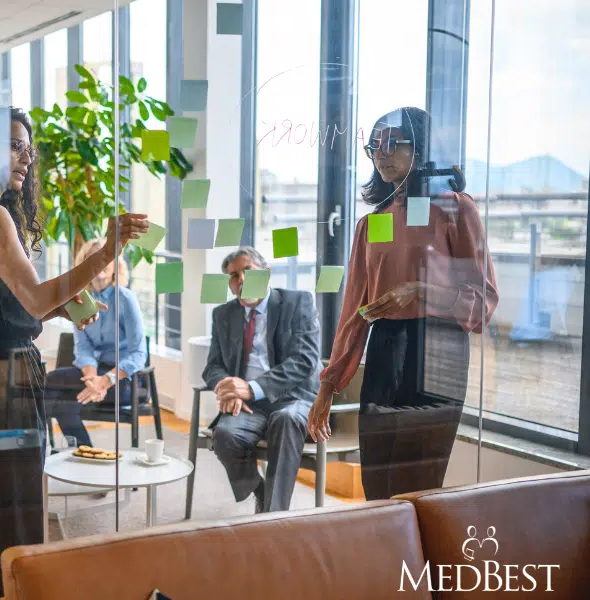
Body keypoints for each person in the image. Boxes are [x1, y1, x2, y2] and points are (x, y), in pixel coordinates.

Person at [0, 105, 147, 600]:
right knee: (11, 518)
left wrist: (57, 309)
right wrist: (106, 252)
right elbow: (35, 299)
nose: (27, 158)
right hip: (0, 382)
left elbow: (4, 305)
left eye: (28, 149)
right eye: (16, 146)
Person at [308, 106, 498, 500]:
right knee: (377, 480)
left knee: (419, 483)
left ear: (421, 148)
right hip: (386, 346)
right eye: (374, 145)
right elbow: (355, 311)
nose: (381, 154)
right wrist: (328, 385)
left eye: (393, 143)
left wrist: (419, 290)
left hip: (439, 348)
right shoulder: (372, 222)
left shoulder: (455, 208)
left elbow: (484, 301)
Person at [202, 247, 321, 513]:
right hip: (249, 405)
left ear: (266, 273)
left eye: (248, 271)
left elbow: (305, 360)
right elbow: (213, 366)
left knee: (285, 419)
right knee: (224, 436)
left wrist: (251, 389)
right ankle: (262, 492)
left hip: (295, 398)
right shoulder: (223, 314)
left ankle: (272, 517)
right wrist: (229, 388)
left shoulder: (298, 302)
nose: (241, 279)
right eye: (234, 276)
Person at [45, 238, 147, 447]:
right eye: (93, 259)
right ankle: (84, 451)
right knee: (51, 386)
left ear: (116, 265)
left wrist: (106, 380)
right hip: (93, 374)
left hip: (123, 381)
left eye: (105, 258)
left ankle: (75, 450)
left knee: (57, 393)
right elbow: (83, 347)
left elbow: (139, 354)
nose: (100, 263)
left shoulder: (126, 299)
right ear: (85, 266)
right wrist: (92, 379)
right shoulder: (79, 300)